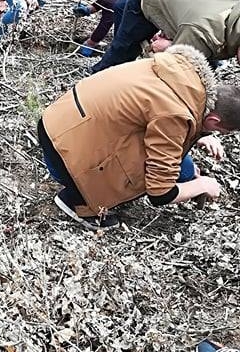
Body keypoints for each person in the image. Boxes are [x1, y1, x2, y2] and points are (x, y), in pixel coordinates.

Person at [39, 44, 240, 230]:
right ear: (213, 121)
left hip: (58, 120)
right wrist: (201, 185)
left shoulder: (182, 75)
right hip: (62, 152)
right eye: (223, 131)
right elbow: (160, 193)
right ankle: (76, 202)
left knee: (181, 166)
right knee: (161, 174)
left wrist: (200, 134)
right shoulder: (176, 114)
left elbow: (150, 113)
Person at [91, 0, 240, 73]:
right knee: (123, 51)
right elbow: (169, 75)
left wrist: (175, 45)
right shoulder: (203, 31)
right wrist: (170, 51)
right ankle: (93, 83)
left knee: (203, 61)